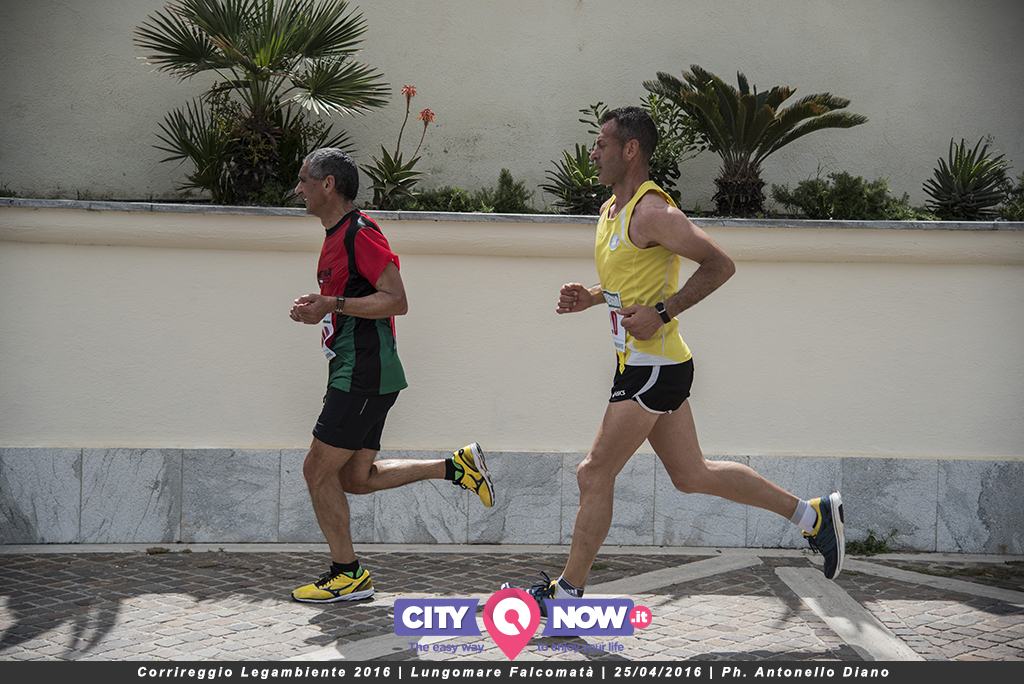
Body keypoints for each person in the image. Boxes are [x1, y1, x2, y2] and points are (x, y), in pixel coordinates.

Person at [506, 108, 844, 612]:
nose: (593, 153)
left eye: (602, 143)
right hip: (643, 364)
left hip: (654, 366)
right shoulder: (612, 210)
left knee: (593, 472)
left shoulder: (653, 212)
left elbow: (720, 264)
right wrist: (592, 296)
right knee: (692, 475)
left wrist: (664, 312)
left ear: (630, 150)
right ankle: (813, 516)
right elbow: (631, 280)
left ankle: (568, 594)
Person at [288, 147, 494, 603]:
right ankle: (454, 467)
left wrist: (332, 304)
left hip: (364, 372)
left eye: (304, 179)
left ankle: (347, 573)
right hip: (355, 370)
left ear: (328, 185)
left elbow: (396, 300)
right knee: (354, 478)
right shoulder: (336, 235)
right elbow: (349, 301)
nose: (298, 188)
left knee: (316, 470)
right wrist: (319, 309)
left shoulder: (359, 233)